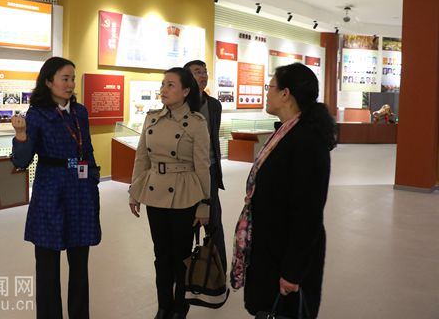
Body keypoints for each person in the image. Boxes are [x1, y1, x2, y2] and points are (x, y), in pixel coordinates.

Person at [231, 63, 336, 318]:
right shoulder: (287, 132)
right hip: (272, 245)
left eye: (270, 87)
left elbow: (308, 213)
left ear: (285, 94)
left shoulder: (307, 141)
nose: (267, 92)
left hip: (286, 254)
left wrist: (292, 271)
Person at [10, 57, 101, 319]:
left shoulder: (80, 112)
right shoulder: (37, 114)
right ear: (49, 82)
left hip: (81, 191)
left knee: (80, 262)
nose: (70, 84)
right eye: (65, 79)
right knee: (48, 264)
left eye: (73, 79)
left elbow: (87, 149)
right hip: (50, 191)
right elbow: (22, 161)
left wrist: (93, 177)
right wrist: (21, 136)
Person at [129, 67, 211, 319]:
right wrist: (134, 191)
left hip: (184, 194)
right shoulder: (152, 118)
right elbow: (141, 158)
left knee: (181, 256)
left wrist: (204, 203)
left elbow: (202, 166)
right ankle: (163, 305)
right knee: (161, 255)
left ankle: (180, 307)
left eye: (170, 85)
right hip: (155, 192)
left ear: (185, 91)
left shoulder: (197, 123)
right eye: (163, 84)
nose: (163, 89)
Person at [183, 59, 227, 273]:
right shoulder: (180, 105)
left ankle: (218, 271)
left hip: (209, 170)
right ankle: (185, 273)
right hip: (184, 173)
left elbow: (213, 138)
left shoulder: (214, 105)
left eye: (205, 71)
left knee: (213, 222)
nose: (203, 75)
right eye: (197, 72)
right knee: (186, 224)